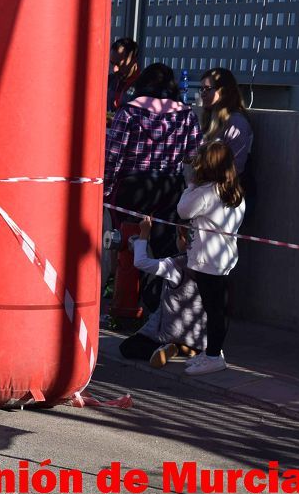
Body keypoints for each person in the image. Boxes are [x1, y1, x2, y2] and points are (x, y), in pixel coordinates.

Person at [104, 62, 201, 259]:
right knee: (165, 250)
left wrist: (105, 190)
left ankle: (126, 288)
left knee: (126, 244)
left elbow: (112, 156)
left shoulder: (128, 112)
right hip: (169, 188)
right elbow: (194, 156)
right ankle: (158, 289)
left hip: (131, 187)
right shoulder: (187, 115)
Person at [176, 141, 246, 376]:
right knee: (215, 307)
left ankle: (214, 356)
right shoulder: (233, 191)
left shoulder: (206, 192)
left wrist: (191, 184)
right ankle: (212, 351)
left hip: (208, 260)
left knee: (214, 309)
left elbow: (183, 210)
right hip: (224, 257)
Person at [119, 216, 206, 368]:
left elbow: (140, 262)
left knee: (127, 347)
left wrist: (144, 233)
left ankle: (167, 349)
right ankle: (186, 349)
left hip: (170, 332)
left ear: (182, 238)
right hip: (199, 336)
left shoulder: (175, 264)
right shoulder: (211, 266)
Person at [198, 67, 254, 174]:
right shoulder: (210, 118)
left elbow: (236, 168)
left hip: (227, 187)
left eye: (208, 89)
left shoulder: (236, 123)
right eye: (202, 89)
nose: (202, 93)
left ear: (224, 91)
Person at [107, 37, 140, 114]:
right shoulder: (109, 81)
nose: (115, 69)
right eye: (112, 64)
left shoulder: (143, 87)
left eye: (119, 64)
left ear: (134, 60)